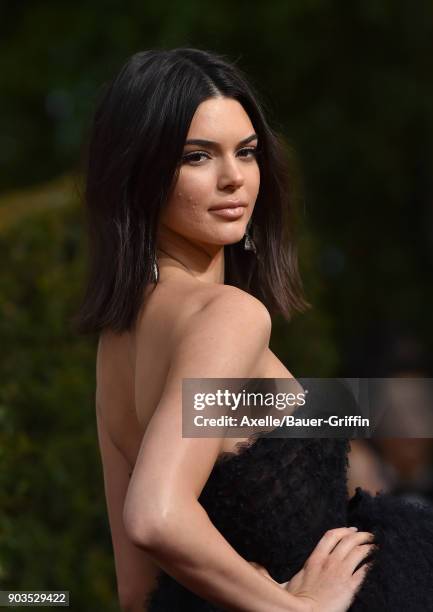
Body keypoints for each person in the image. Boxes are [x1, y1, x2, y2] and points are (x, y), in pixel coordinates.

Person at [74, 48, 433, 611]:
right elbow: (155, 515)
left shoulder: (117, 342)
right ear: (140, 169)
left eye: (246, 152)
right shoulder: (228, 314)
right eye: (197, 156)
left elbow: (137, 594)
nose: (234, 178)